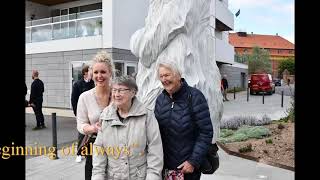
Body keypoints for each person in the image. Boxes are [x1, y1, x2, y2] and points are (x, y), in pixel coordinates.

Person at [92, 76, 163, 180]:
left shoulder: (146, 116)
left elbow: (155, 150)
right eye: (114, 90)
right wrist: (97, 176)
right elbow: (99, 149)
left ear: (133, 92)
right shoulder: (106, 116)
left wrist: (153, 177)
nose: (116, 94)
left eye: (121, 90)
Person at [154, 61, 213, 180]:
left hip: (186, 169)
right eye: (161, 76)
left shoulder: (195, 97)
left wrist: (193, 161)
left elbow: (206, 132)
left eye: (167, 75)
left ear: (178, 75)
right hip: (163, 167)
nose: (164, 79)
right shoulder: (160, 99)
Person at [77, 51, 114, 180]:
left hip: (118, 147)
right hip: (94, 147)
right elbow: (81, 125)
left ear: (110, 73)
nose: (99, 76)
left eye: (103, 72)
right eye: (96, 72)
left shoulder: (118, 93)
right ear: (91, 73)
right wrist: (93, 128)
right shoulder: (84, 97)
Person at [71, 65, 95, 163]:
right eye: (90, 71)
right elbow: (74, 100)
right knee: (82, 134)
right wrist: (77, 113)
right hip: (83, 113)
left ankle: (88, 152)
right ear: (85, 73)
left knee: (92, 134)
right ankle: (79, 153)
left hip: (93, 113)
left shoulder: (94, 83)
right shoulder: (77, 84)